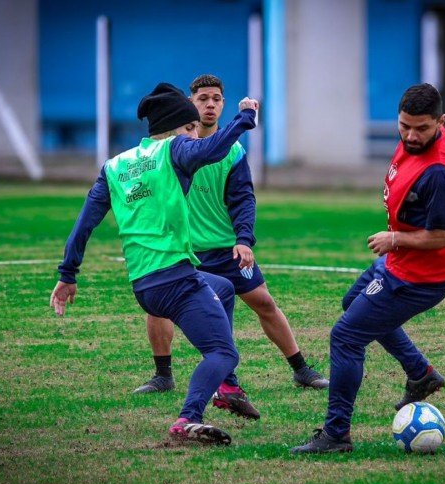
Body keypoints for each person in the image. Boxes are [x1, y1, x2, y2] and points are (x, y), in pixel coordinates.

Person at [50, 82, 259, 445]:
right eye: (192, 127)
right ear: (179, 128)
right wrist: (244, 118)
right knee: (223, 352)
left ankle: (225, 387)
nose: (196, 133)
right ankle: (187, 419)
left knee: (224, 288)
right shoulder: (174, 151)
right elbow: (215, 147)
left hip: (144, 285)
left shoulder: (115, 166)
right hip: (174, 280)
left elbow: (85, 223)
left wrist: (68, 274)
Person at [291, 83, 445, 453]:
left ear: (440, 122)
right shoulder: (434, 138)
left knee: (346, 335)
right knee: (351, 303)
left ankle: (336, 434)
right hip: (399, 262)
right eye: (404, 126)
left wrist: (395, 239)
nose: (411, 135)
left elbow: (443, 237)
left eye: (421, 128)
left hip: (419, 277)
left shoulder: (437, 173)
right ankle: (420, 373)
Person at [134, 74, 328, 409]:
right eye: (203, 98)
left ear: (224, 104)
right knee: (158, 306)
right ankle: (163, 375)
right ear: (189, 104)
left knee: (264, 302)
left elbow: (243, 199)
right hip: (185, 250)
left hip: (227, 249)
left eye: (217, 99)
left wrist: (243, 239)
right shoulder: (172, 151)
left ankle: (300, 369)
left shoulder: (232, 150)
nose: (210, 105)